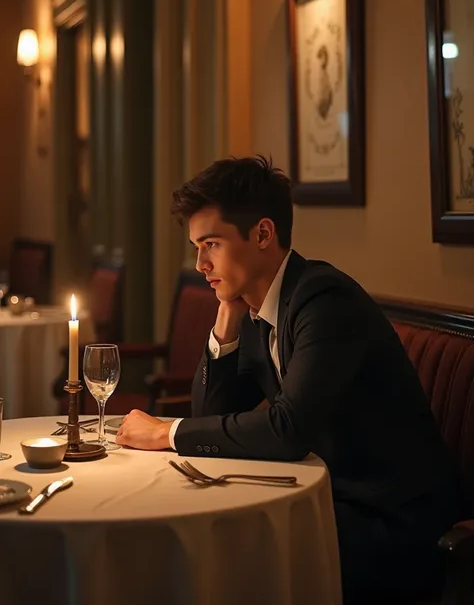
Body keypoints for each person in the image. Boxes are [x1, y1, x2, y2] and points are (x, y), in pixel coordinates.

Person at [116, 155, 461, 603]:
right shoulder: (258, 306)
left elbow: (288, 430)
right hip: (328, 500)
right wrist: (225, 322)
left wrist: (166, 431)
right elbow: (213, 414)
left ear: (263, 233)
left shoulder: (323, 300)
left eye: (212, 244)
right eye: (197, 247)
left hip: (391, 519)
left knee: (217, 560)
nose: (200, 263)